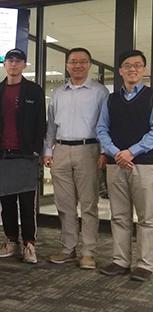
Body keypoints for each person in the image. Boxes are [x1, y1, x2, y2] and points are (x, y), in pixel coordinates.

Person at [43, 47, 109, 269]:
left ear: (89, 65)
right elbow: (51, 125)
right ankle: (67, 248)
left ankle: (88, 251)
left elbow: (105, 126)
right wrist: (48, 151)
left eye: (83, 61)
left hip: (87, 150)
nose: (78, 65)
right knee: (64, 204)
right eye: (73, 62)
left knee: (89, 204)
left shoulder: (100, 92)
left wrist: (103, 152)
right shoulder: (59, 93)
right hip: (61, 150)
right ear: (67, 65)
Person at [97, 50, 153, 282]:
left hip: (144, 165)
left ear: (144, 70)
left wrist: (131, 151)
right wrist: (116, 152)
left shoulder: (151, 96)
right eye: (127, 65)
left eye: (137, 65)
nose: (132, 69)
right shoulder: (110, 99)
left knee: (147, 218)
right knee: (119, 216)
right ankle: (120, 260)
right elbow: (101, 129)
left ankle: (146, 263)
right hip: (115, 164)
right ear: (120, 71)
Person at [0, 49, 46, 264]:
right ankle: (12, 241)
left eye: (18, 61)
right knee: (7, 202)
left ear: (24, 65)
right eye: (10, 60)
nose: (13, 64)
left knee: (27, 202)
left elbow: (41, 124)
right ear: (4, 64)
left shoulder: (34, 91)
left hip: (26, 155)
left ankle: (30, 244)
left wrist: (36, 151)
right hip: (2, 154)